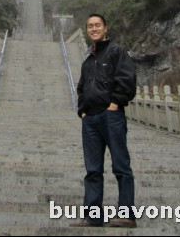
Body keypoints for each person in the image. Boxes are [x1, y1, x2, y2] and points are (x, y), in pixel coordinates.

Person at [70, 13, 137, 228]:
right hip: (90, 120)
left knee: (120, 165)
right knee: (92, 169)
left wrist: (115, 104)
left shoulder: (117, 52)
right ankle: (92, 216)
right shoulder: (88, 60)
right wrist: (82, 111)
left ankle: (126, 214)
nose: (94, 28)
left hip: (111, 116)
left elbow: (127, 80)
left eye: (97, 25)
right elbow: (81, 88)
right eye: (90, 26)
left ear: (105, 28)